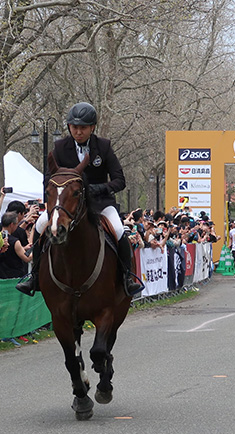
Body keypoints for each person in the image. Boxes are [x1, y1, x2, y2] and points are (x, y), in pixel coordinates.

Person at [17, 102, 143, 296]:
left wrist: (99, 188)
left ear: (92, 127)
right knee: (42, 225)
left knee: (118, 231)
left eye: (83, 127)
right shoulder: (60, 147)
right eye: (74, 127)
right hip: (68, 205)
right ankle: (34, 276)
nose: (78, 131)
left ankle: (127, 277)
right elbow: (47, 179)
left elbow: (120, 180)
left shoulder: (103, 147)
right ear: (69, 127)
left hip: (100, 204)